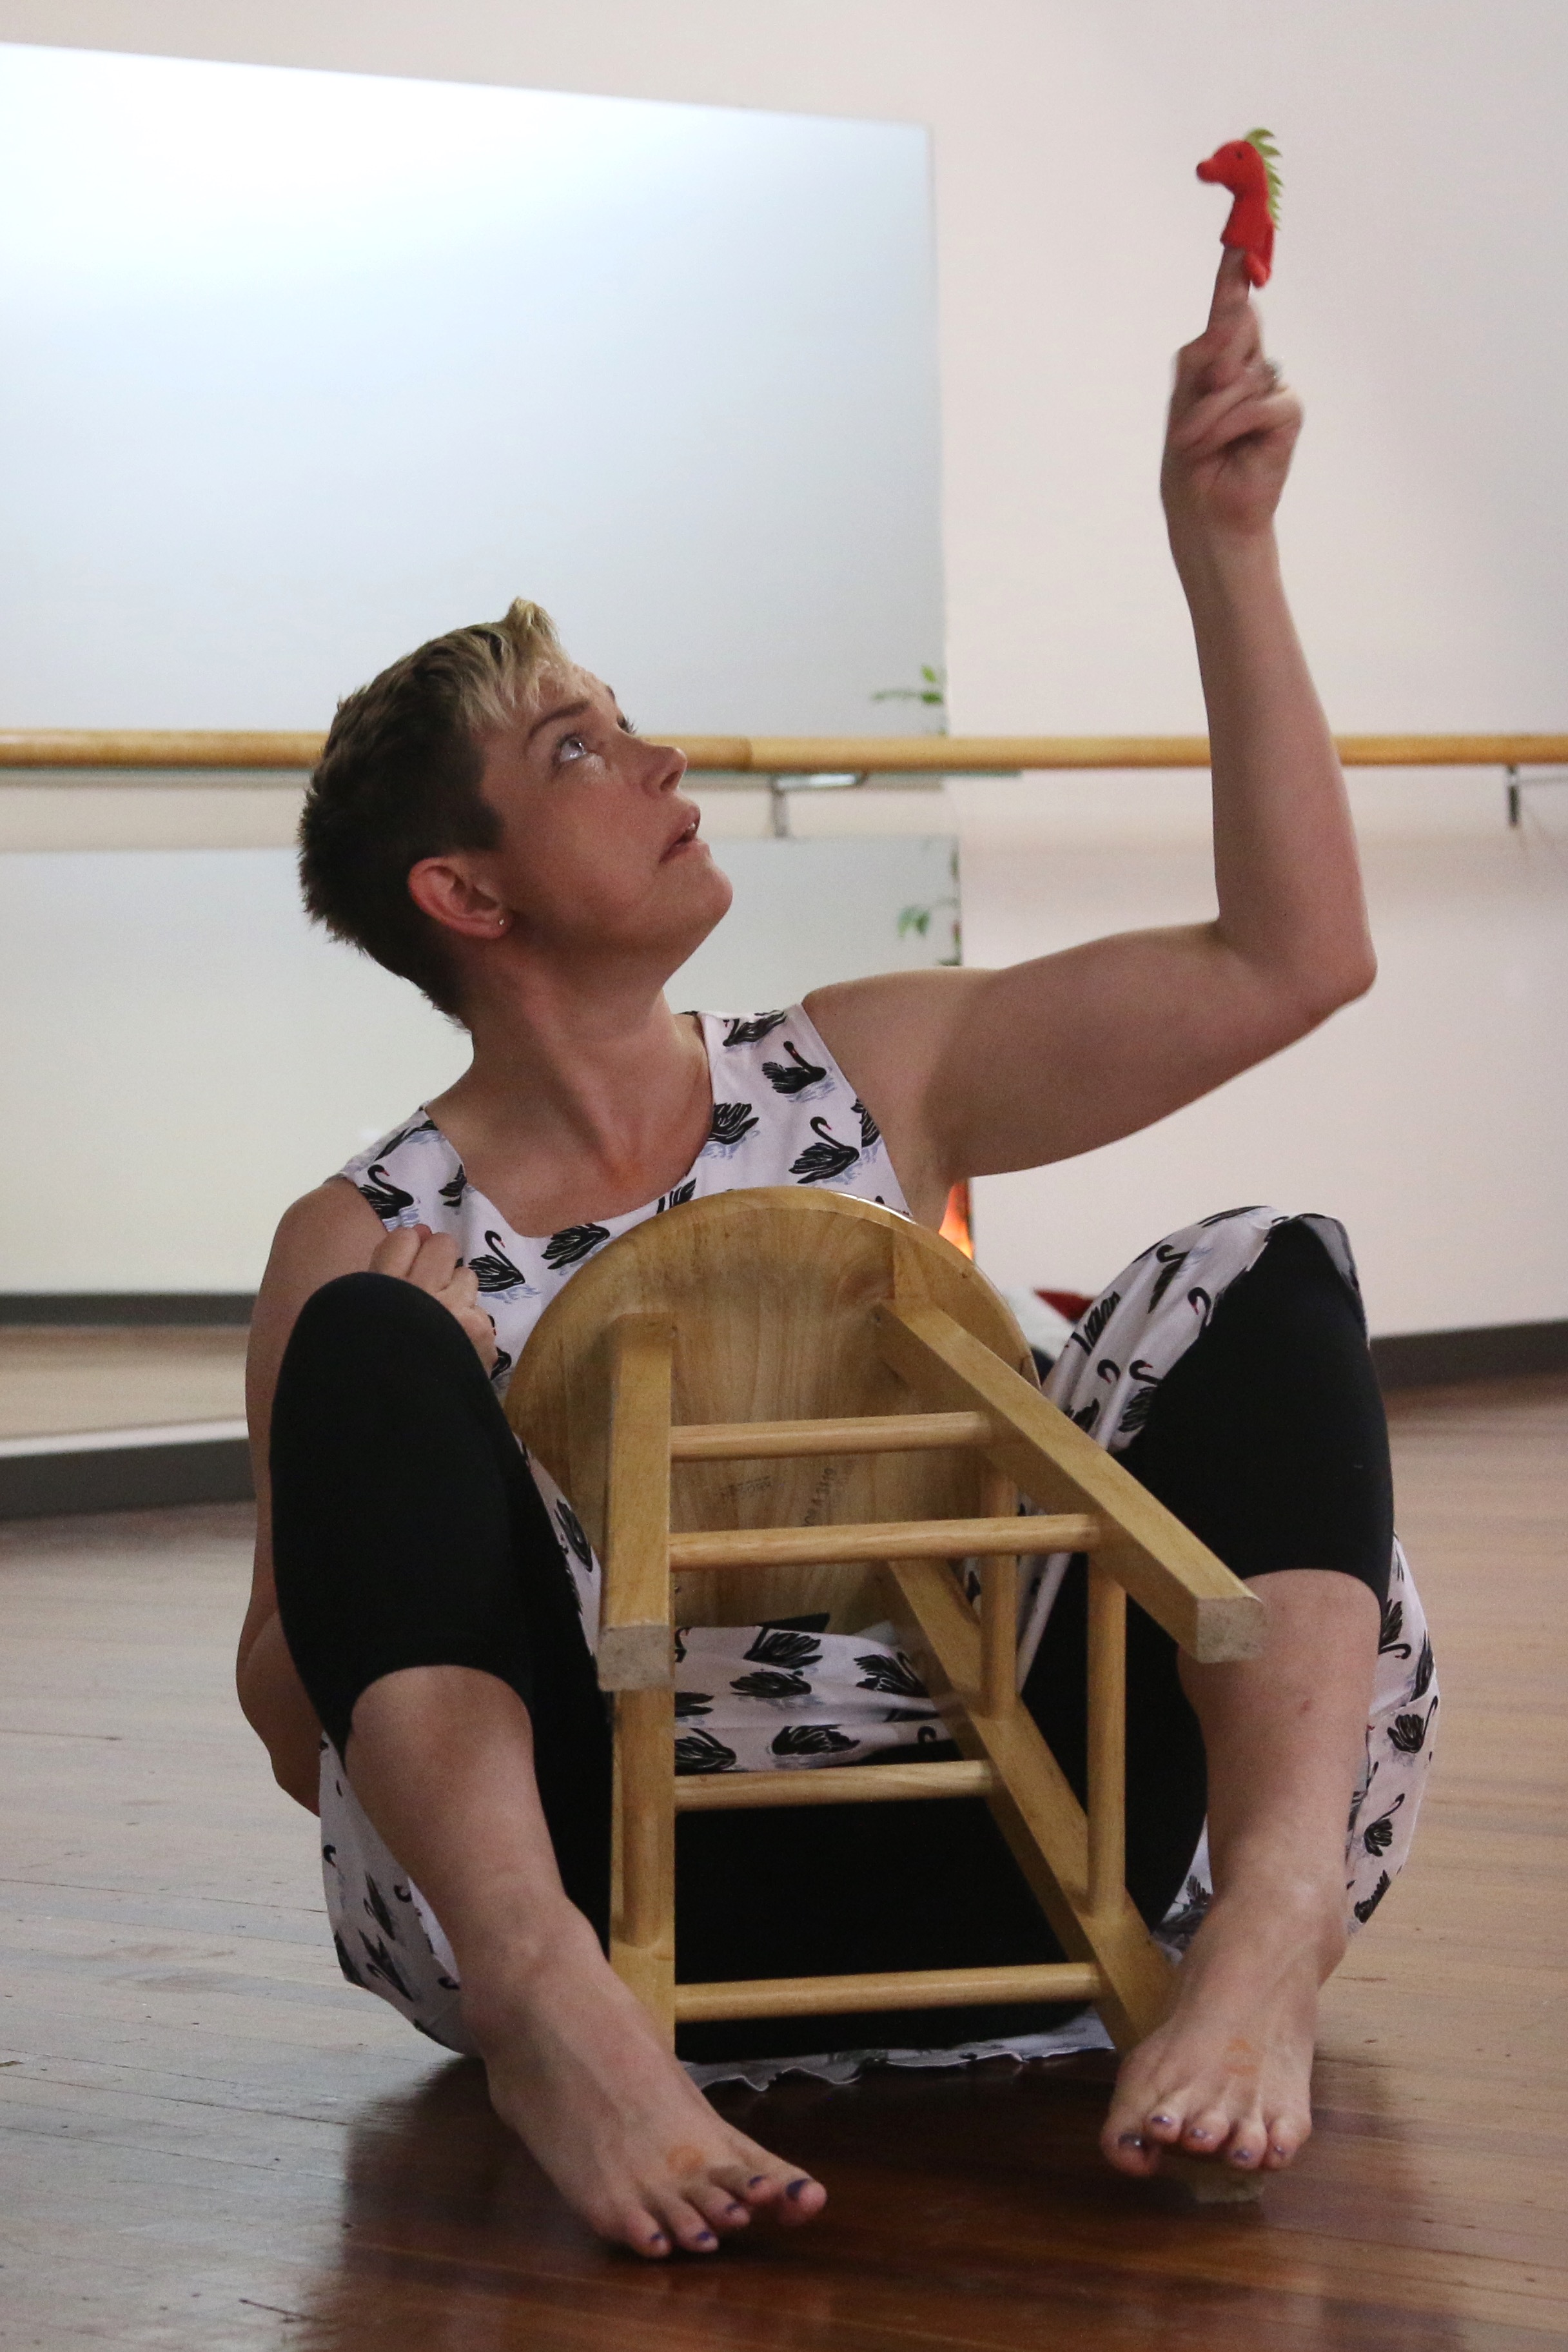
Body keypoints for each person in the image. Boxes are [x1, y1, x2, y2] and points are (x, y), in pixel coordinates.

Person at [237, 250, 1435, 2261]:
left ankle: (1277, 1919)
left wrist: (1224, 548)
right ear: (468, 895)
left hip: (1025, 1842)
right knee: (371, 1341)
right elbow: (298, 1722)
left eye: (627, 724)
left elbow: (1292, 960)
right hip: (611, 1908)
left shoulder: (871, 1067)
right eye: (579, 754)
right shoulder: (364, 1237)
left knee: (1263, 1262)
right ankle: (557, 2035)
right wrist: (424, 1441)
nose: (661, 764)